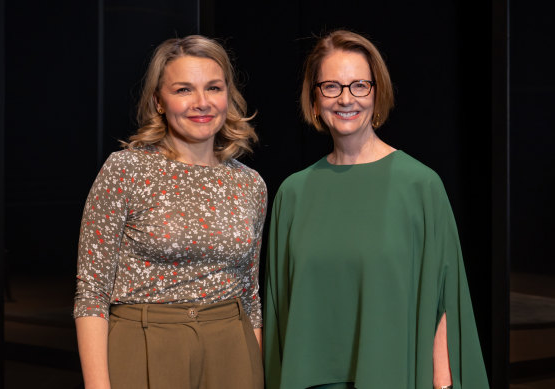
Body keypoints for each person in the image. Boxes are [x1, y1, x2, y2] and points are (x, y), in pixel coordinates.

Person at [263, 30, 489, 389]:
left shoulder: (420, 186)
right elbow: (277, 311)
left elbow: (446, 302)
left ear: (377, 92)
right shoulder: (293, 193)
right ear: (315, 97)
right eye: (331, 86)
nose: (345, 98)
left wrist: (444, 383)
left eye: (359, 86)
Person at [74, 35, 266, 389]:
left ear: (228, 95)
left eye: (213, 87)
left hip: (231, 349)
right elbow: (92, 292)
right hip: (144, 343)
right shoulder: (125, 170)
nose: (201, 103)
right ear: (158, 101)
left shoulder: (250, 184)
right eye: (183, 90)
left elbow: (250, 294)